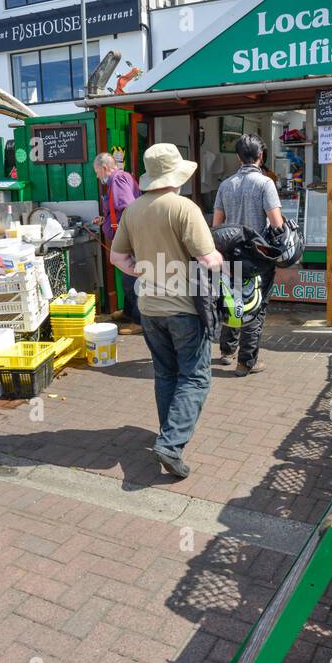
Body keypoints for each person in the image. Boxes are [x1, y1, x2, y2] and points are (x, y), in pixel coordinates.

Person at [110, 144, 224, 479]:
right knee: (196, 376)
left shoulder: (133, 210)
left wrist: (144, 272)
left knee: (166, 373)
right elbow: (208, 259)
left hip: (149, 308)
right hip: (183, 309)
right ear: (176, 175)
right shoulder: (184, 209)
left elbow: (118, 259)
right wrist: (220, 257)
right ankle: (171, 444)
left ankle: (167, 435)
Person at [212, 133, 282, 375]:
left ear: (238, 157)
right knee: (255, 305)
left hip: (231, 254)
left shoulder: (225, 185)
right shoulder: (265, 184)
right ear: (260, 157)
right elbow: (276, 224)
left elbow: (217, 225)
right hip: (257, 257)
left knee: (231, 300)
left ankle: (226, 352)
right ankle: (246, 362)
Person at [93, 152, 141, 335]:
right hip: (127, 236)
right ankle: (129, 313)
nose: (98, 176)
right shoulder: (119, 179)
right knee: (128, 277)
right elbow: (118, 210)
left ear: (104, 168)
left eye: (97, 172)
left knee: (131, 278)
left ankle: (139, 321)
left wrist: (125, 238)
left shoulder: (118, 180)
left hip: (129, 238)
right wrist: (104, 219)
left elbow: (129, 208)